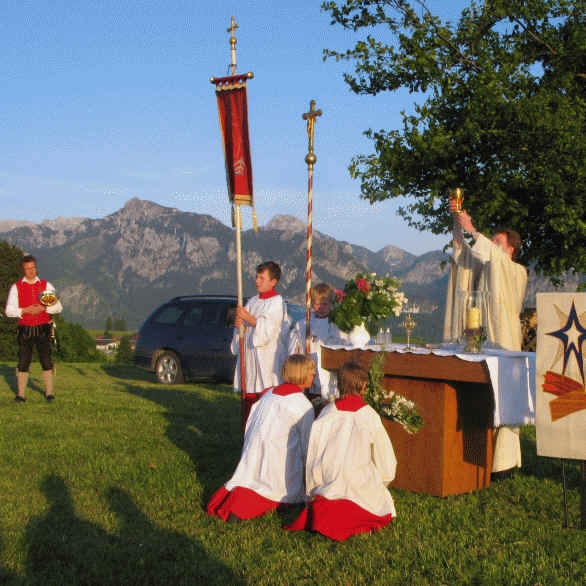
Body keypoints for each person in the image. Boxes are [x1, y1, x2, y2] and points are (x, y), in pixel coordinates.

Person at [445, 199, 528, 475]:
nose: (491, 245)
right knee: (482, 397)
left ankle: (503, 463)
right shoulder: (489, 267)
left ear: (510, 249)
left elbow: (491, 256)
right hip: (481, 340)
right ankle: (476, 453)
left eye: (497, 241)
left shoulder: (515, 271)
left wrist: (472, 228)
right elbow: (465, 259)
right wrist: (459, 225)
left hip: (504, 342)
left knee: (503, 399)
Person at [286, 361, 397, 540]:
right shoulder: (370, 416)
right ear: (363, 386)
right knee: (376, 504)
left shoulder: (327, 413)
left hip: (328, 480)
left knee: (327, 503)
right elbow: (385, 460)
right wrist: (383, 484)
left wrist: (313, 488)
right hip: (360, 480)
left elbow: (314, 454)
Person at [207, 354, 315, 521]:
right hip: (278, 461)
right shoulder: (303, 405)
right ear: (301, 374)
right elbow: (308, 446)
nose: (313, 376)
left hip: (254, 453)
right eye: (311, 372)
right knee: (275, 493)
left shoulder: (269, 393)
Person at [231, 261, 287, 419]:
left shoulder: (277, 302)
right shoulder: (253, 301)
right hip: (250, 357)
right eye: (256, 277)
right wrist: (239, 325)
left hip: (266, 359)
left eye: (262, 278)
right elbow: (244, 326)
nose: (257, 281)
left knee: (265, 401)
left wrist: (247, 318)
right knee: (249, 401)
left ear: (273, 282)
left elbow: (268, 329)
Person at [5, 255, 63, 402]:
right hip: (25, 329)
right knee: (23, 361)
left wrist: (43, 308)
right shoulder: (16, 287)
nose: (31, 271)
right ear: (23, 270)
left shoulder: (45, 285)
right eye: (27, 268)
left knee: (46, 360)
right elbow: (9, 310)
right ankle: (21, 395)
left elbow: (58, 307)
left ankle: (49, 393)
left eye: (33, 267)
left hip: (43, 328)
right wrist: (25, 310)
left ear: (36, 267)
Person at [288, 283, 346, 402]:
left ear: (331, 304)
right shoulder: (304, 323)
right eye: (317, 304)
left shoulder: (336, 324)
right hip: (307, 370)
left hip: (327, 371)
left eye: (324, 304)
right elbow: (294, 347)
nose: (320, 307)